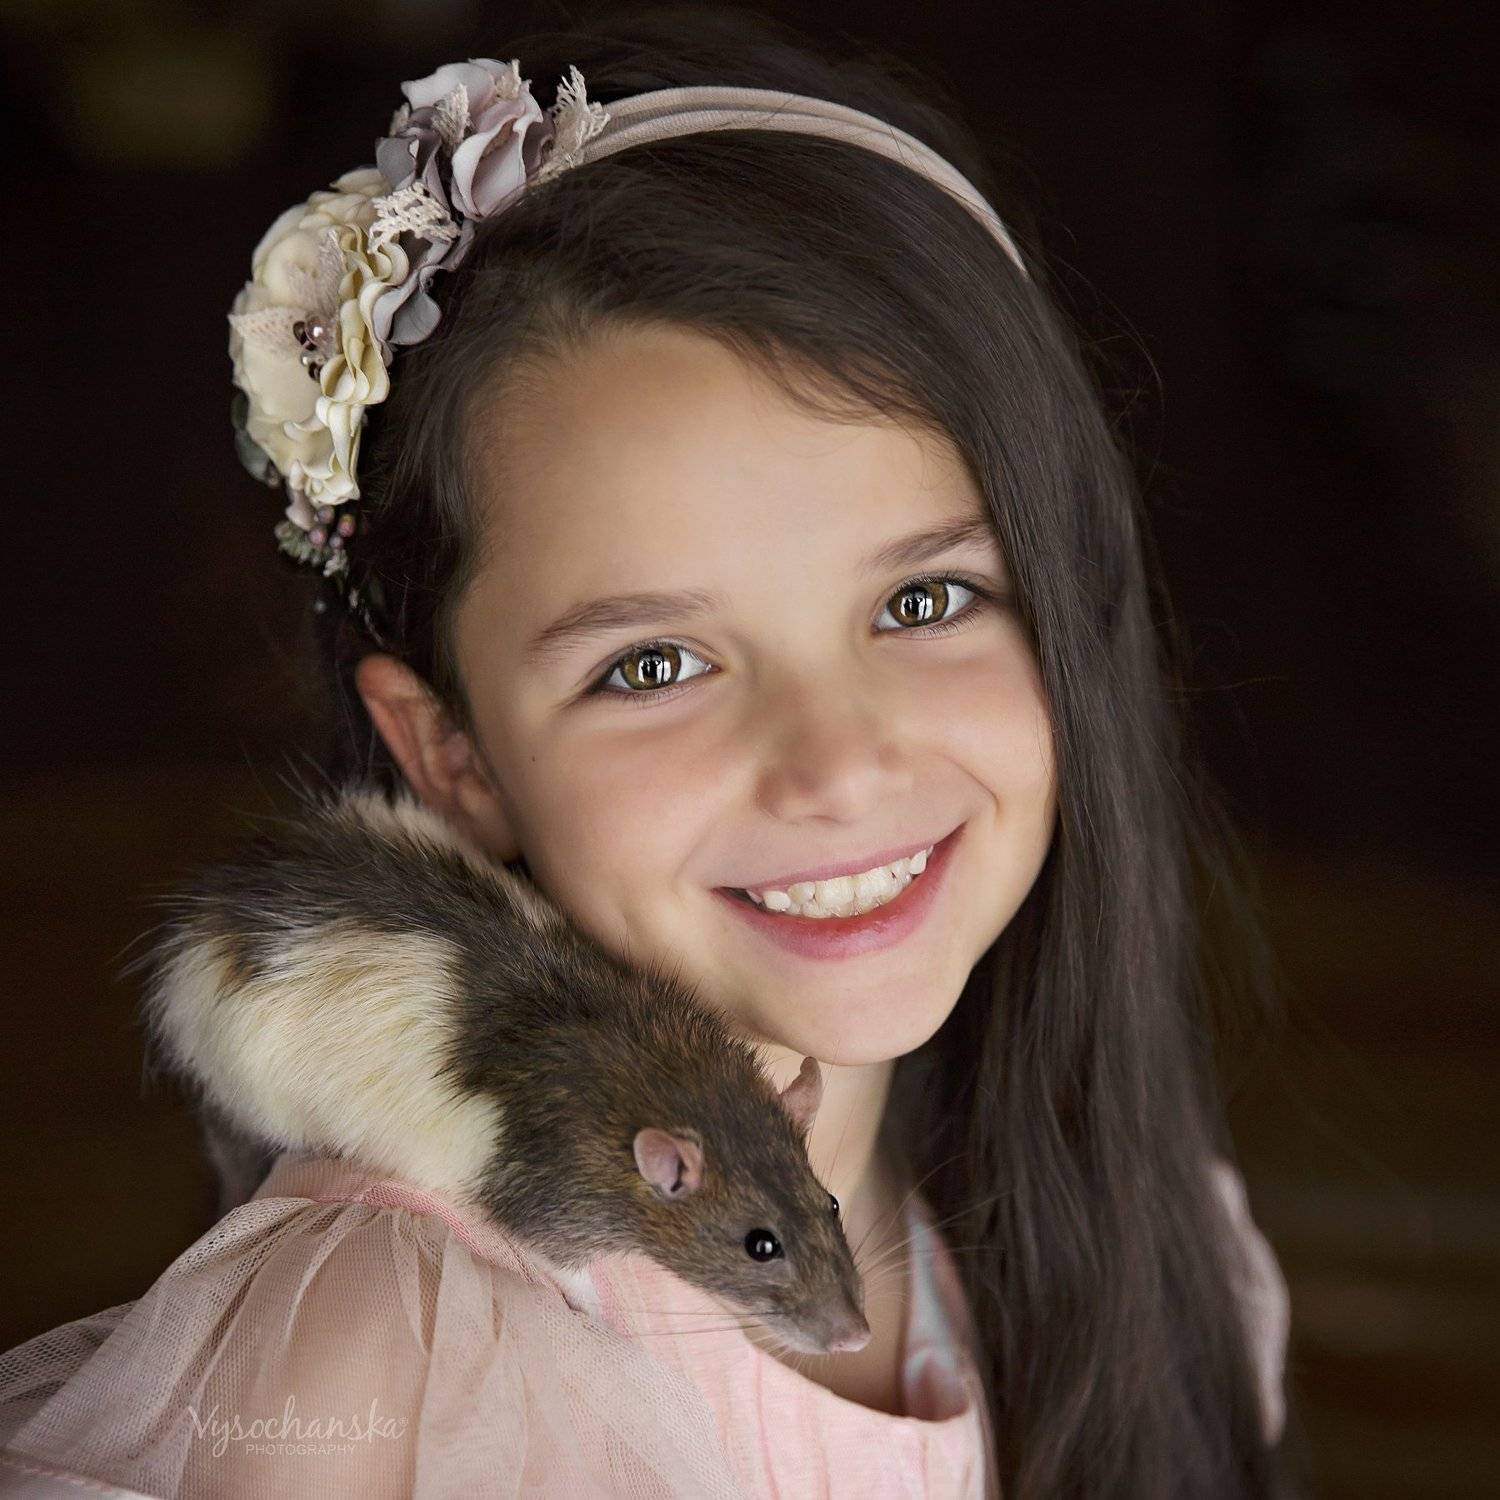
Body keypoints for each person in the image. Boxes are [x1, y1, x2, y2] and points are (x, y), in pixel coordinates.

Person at [0, 5, 1296, 1496]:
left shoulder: (1126, 1243)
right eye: (655, 663)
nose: (833, 764)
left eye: (926, 598)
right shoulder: (377, 1365)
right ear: (454, 756)